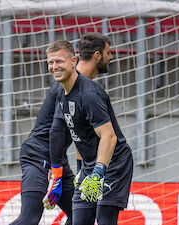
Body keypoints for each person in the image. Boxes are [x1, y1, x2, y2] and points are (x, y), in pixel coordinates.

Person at [46, 37, 133, 225]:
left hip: (113, 164)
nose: (55, 66)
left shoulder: (89, 94)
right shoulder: (61, 92)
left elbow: (109, 136)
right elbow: (79, 134)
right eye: (51, 62)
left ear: (73, 61)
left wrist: (98, 172)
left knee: (105, 220)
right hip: (89, 166)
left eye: (59, 61)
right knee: (78, 219)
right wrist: (79, 170)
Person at [9, 81, 75, 224]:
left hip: (58, 159)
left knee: (81, 215)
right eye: (51, 62)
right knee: (30, 218)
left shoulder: (88, 89)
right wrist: (57, 174)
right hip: (38, 155)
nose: (111, 56)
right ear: (97, 56)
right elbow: (55, 131)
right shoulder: (66, 86)